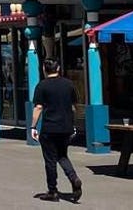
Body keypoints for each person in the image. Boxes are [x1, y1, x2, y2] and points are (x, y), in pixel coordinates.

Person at [30, 58, 82, 203]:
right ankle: (74, 179)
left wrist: (33, 126)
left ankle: (53, 191)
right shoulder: (69, 84)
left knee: (50, 160)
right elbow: (73, 107)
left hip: (50, 128)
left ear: (44, 70)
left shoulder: (42, 86)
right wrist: (73, 124)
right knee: (62, 156)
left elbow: (38, 107)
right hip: (66, 127)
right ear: (58, 68)